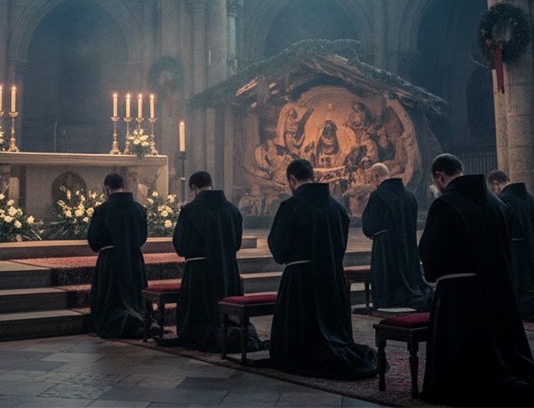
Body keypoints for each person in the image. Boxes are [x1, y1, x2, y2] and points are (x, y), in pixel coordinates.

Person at [420, 154, 534, 406]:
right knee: (503, 359)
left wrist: (434, 274)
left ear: (439, 177)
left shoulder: (445, 205)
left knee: (471, 377)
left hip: (459, 296)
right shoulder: (497, 204)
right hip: (498, 292)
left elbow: (430, 252)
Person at [268, 159, 376, 378]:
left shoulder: (290, 207)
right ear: (312, 176)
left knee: (302, 346)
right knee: (333, 334)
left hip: (301, 280)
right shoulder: (337, 208)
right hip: (333, 278)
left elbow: (279, 249)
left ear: (291, 179)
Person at [171, 170, 262, 353]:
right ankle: (233, 332)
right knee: (227, 312)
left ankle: (217, 336)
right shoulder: (232, 209)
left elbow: (181, 245)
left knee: (200, 322)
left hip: (200, 273)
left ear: (194, 188)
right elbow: (236, 243)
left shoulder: (189, 210)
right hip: (228, 270)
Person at [361, 163, 431, 311]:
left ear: (375, 176)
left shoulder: (378, 196)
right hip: (408, 246)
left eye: (371, 179)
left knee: (389, 290)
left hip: (386, 250)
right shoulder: (410, 196)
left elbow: (368, 226)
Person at [87, 173, 149, 339]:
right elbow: (142, 238)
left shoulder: (102, 210)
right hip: (134, 259)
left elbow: (94, 240)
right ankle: (138, 319)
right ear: (124, 186)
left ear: (107, 188)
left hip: (111, 261)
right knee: (133, 295)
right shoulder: (139, 209)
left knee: (113, 298)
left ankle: (121, 322)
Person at [489, 170, 534, 321]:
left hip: (515, 261)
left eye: (492, 188)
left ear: (496, 184)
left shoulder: (501, 201)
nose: (493, 192)